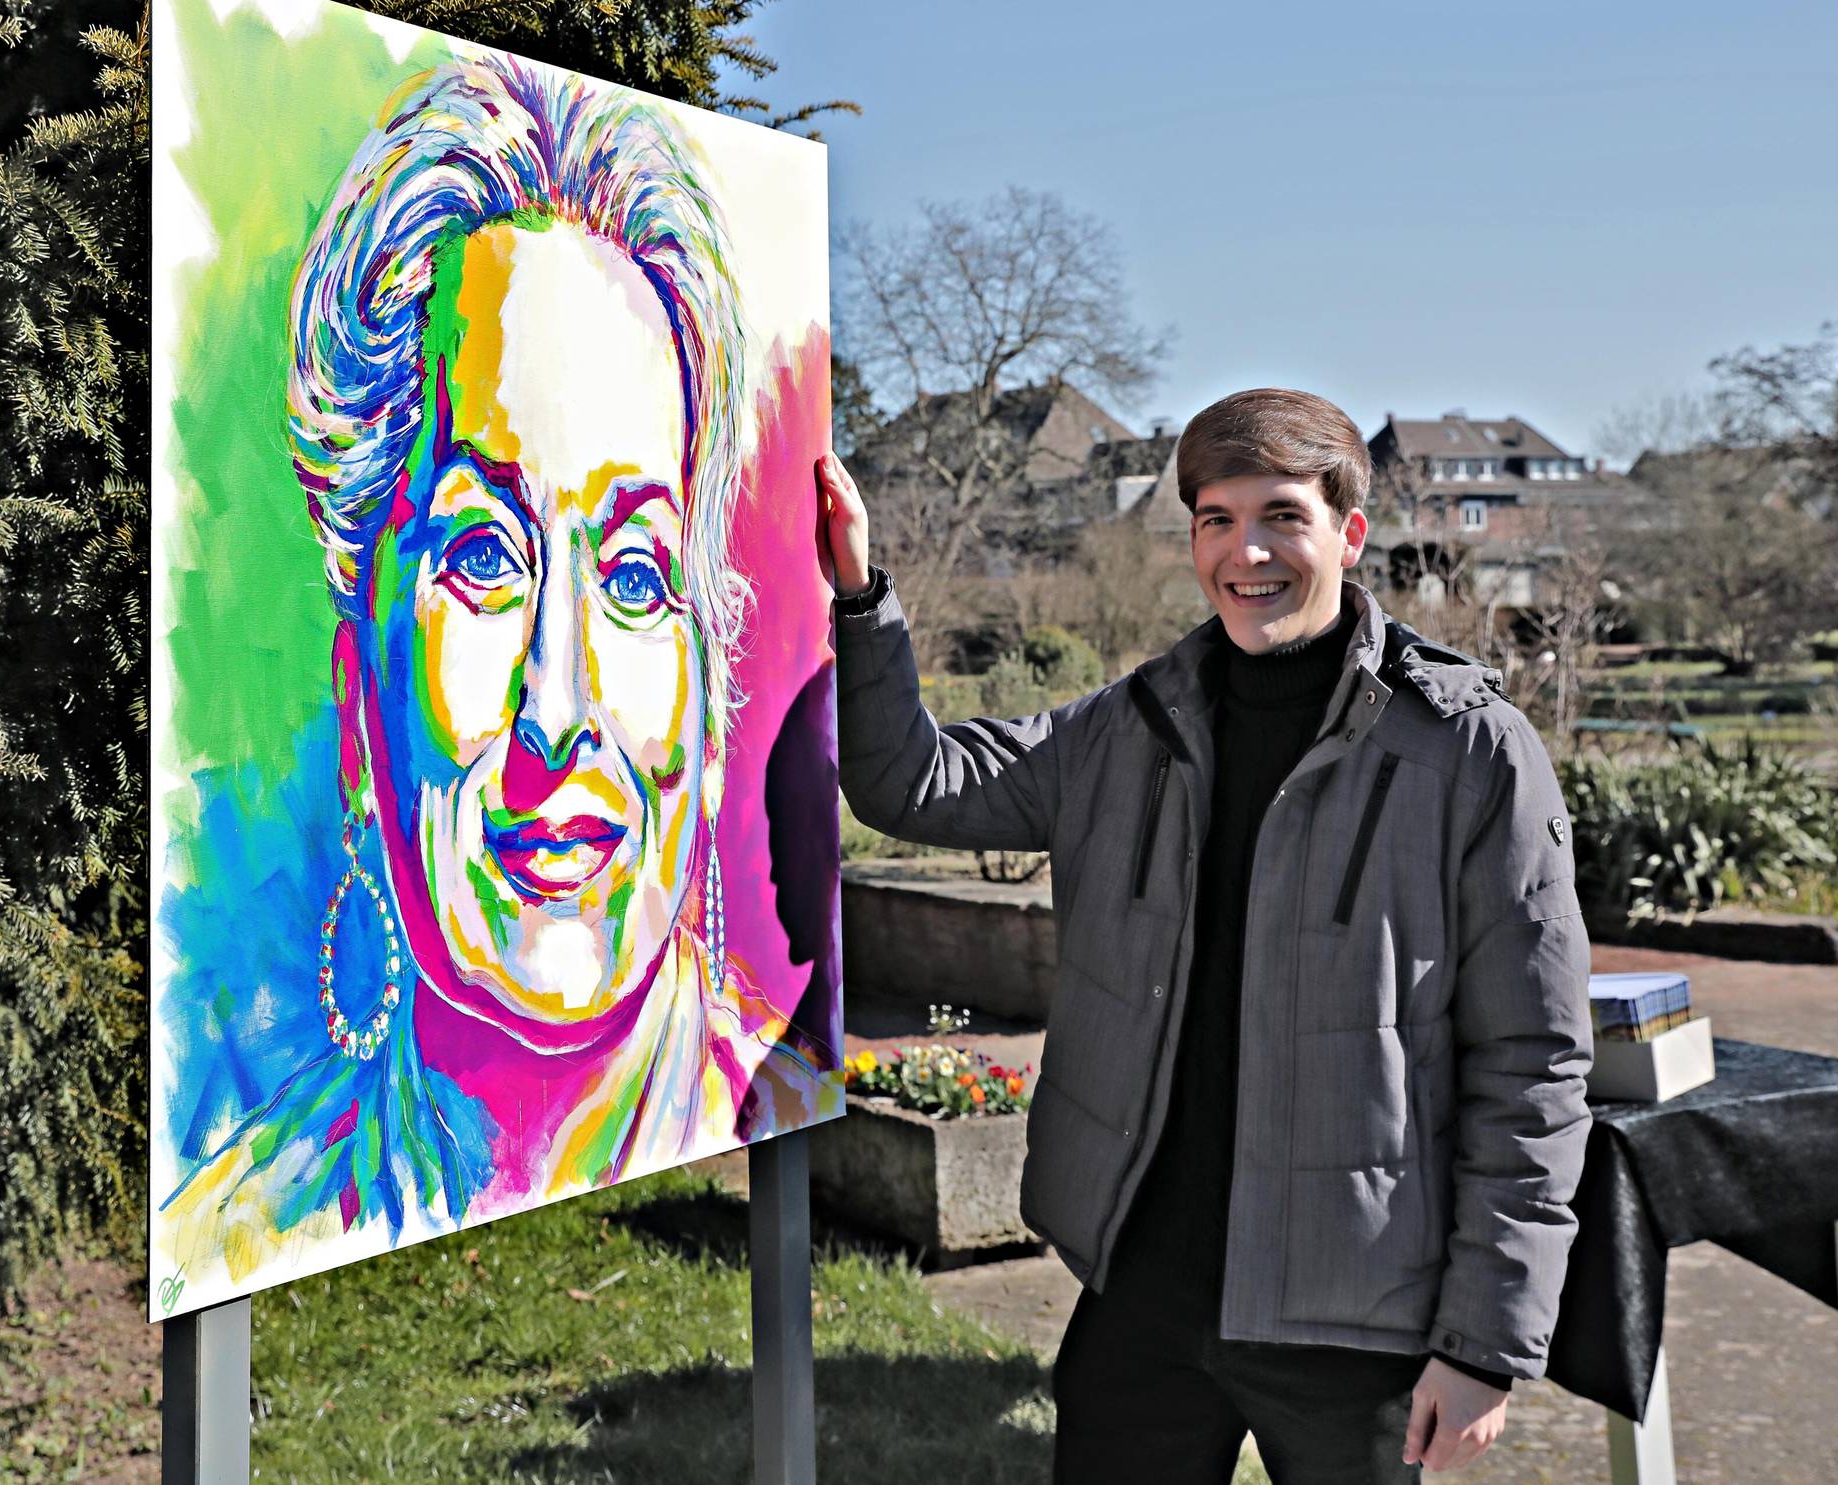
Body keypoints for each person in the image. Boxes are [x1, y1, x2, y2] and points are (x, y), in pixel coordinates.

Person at [818, 387, 1593, 1480]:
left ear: (1348, 533)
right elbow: (916, 783)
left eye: (1282, 514)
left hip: (1352, 1320)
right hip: (1143, 1300)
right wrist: (859, 598)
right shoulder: (1124, 727)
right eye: (1216, 519)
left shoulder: (1470, 754)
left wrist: (1484, 1345)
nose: (1248, 553)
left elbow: (1535, 1062)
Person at [157, 59, 827, 1288]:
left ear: (709, 687)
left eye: (634, 577)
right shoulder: (234, 1220)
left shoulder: (776, 1084)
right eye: (483, 558)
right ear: (364, 693)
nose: (557, 709)